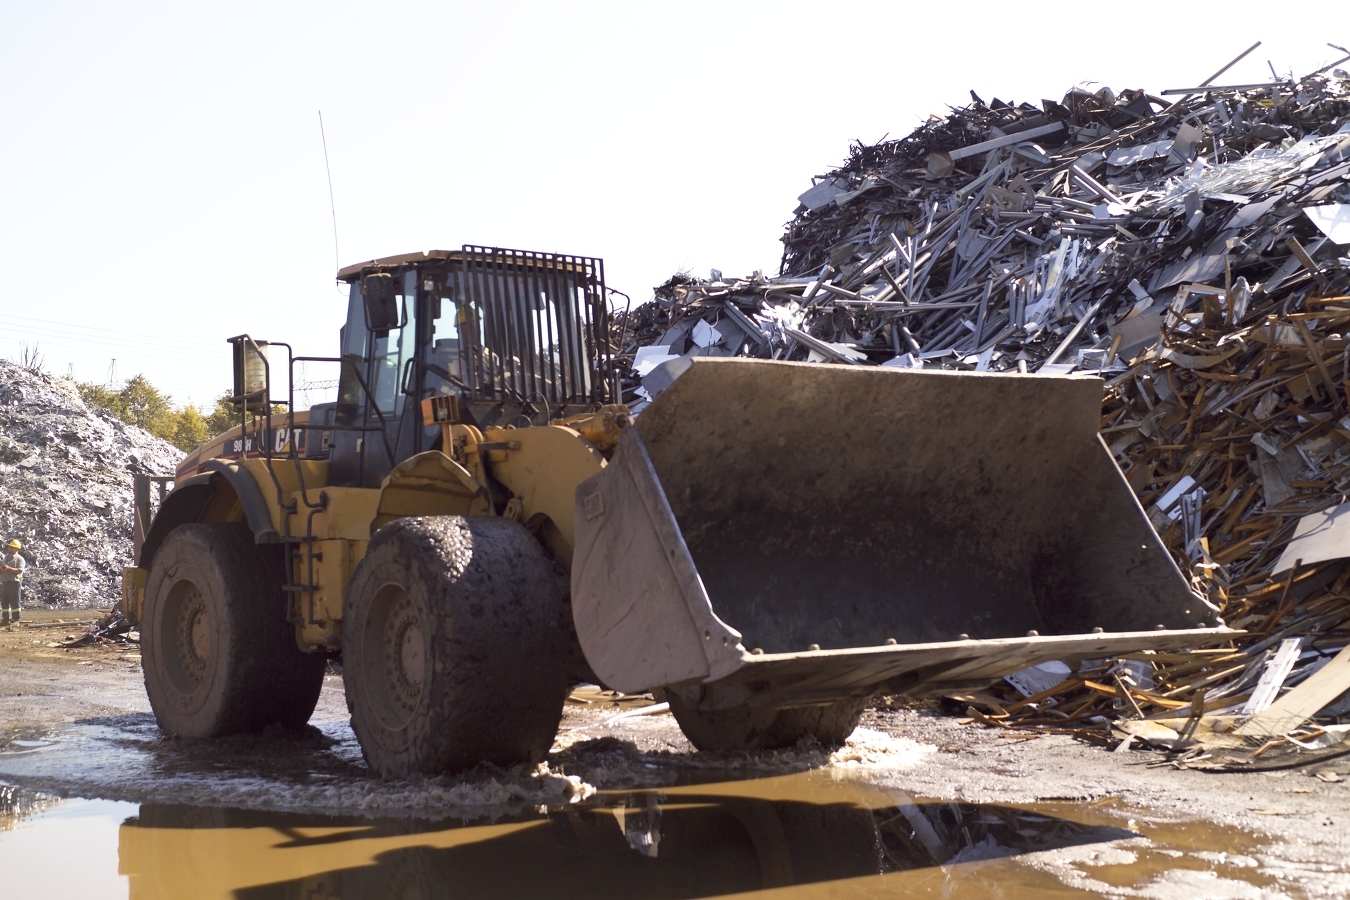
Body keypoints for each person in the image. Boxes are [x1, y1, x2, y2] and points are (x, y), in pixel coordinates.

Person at [1, 538, 26, 626]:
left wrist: (8, 568)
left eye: (13, 547)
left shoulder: (20, 559)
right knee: (4, 601)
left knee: (15, 601)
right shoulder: (5, 557)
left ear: (17, 549)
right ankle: (5, 619)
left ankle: (16, 619)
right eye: (10, 547)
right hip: (5, 582)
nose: (10, 549)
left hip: (14, 583)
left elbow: (20, 570)